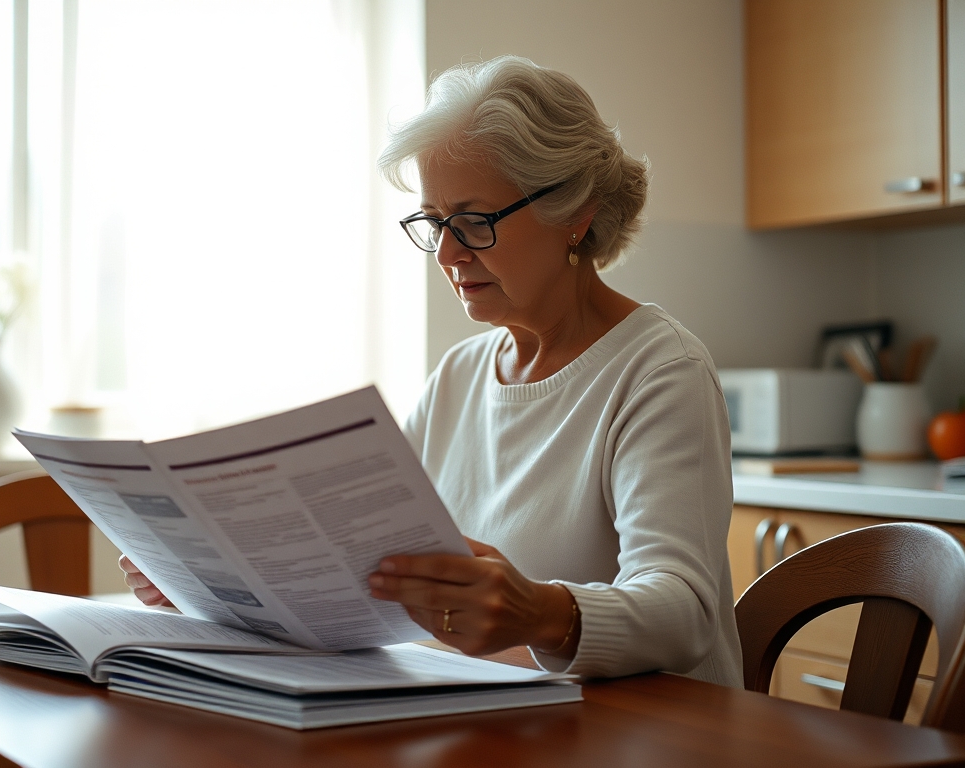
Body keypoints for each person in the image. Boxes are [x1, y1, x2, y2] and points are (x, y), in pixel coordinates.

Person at [122, 55, 743, 686]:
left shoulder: (659, 372)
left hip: (645, 734)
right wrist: (220, 585)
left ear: (574, 213)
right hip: (497, 722)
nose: (446, 253)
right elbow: (367, 566)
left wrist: (539, 613)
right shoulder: (461, 375)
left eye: (474, 222)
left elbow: (683, 614)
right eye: (434, 223)